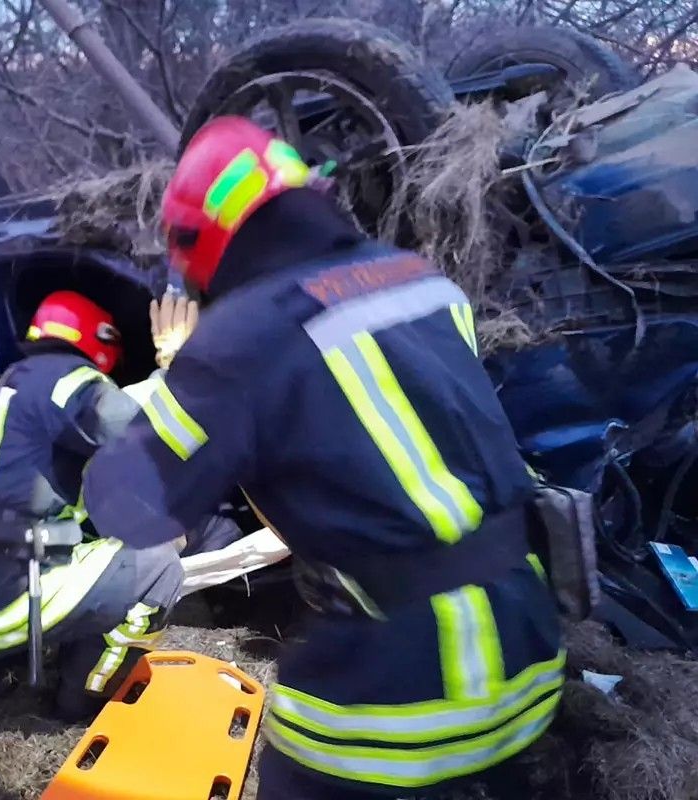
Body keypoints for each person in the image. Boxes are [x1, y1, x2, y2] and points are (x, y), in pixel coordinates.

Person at [82, 117, 564, 798]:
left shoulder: (243, 337)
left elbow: (126, 508)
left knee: (299, 762)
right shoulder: (421, 281)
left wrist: (174, 369)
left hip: (407, 686)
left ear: (203, 242)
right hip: (529, 646)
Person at [0, 290, 183, 721]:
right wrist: (174, 368)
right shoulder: (69, 378)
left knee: (108, 543)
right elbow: (135, 425)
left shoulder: (19, 381)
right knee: (158, 571)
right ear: (102, 339)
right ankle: (85, 700)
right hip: (1, 593)